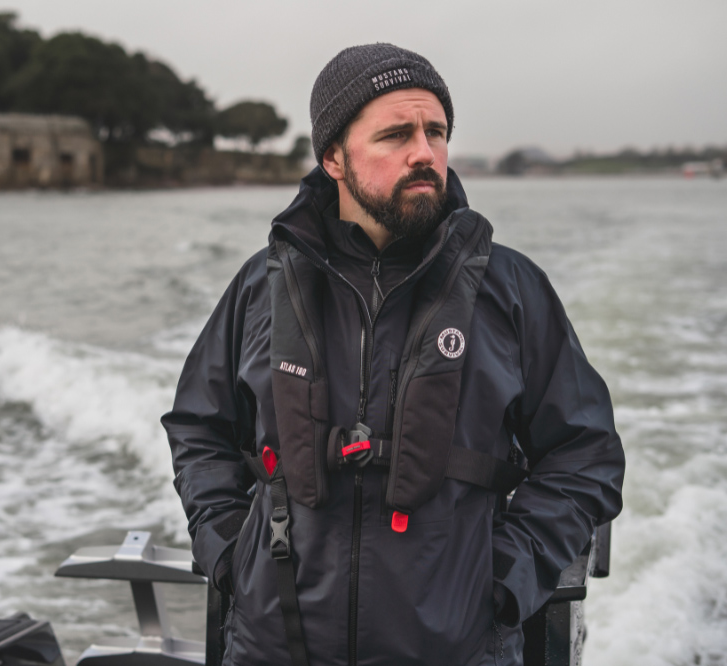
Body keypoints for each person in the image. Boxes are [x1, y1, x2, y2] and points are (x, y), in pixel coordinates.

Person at [162, 43, 624, 666]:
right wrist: (228, 555)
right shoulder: (264, 287)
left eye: (436, 132)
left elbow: (585, 453)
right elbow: (199, 427)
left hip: (460, 648)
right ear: (334, 157)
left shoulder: (509, 289)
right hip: (273, 645)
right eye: (396, 135)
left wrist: (505, 580)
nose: (424, 153)